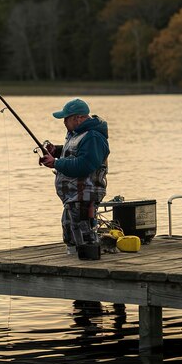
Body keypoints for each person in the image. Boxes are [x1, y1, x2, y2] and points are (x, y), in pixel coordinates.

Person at [39, 98, 109, 258]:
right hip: (73, 196)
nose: (63, 122)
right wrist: (56, 151)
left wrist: (56, 163)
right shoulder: (77, 134)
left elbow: (85, 164)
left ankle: (89, 266)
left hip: (84, 194)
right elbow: (75, 152)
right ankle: (75, 259)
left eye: (66, 118)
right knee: (69, 232)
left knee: (85, 236)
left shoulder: (93, 137)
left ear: (78, 118)